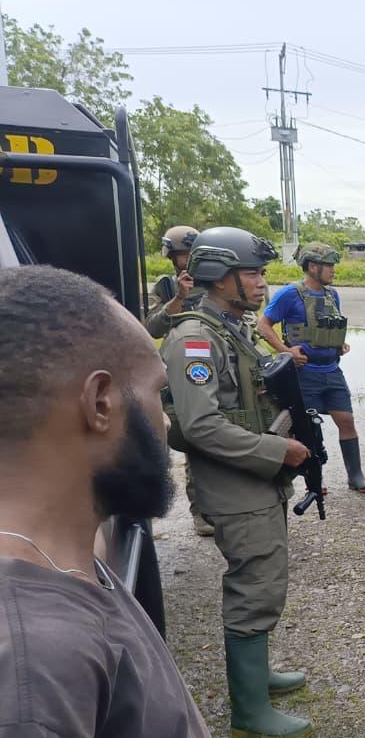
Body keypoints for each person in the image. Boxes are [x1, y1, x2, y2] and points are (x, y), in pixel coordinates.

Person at [0, 265, 242, 738]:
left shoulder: (71, 554)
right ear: (101, 402)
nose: (166, 422)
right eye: (159, 394)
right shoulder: (28, 662)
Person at [162, 227, 312, 738]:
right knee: (254, 586)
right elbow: (201, 425)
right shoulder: (195, 339)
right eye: (252, 273)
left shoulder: (230, 328)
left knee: (266, 578)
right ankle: (249, 712)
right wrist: (277, 451)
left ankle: (258, 675)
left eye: (262, 273)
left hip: (254, 481)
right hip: (235, 486)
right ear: (219, 277)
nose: (262, 282)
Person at [257, 242, 365, 493]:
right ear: (312, 267)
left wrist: (339, 343)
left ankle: (355, 476)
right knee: (309, 427)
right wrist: (286, 351)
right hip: (304, 374)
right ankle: (314, 479)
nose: (333, 270)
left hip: (331, 370)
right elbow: (263, 325)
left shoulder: (332, 295)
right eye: (328, 265)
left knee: (346, 420)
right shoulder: (289, 294)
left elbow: (329, 325)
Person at [145, 224, 215, 536]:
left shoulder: (215, 281)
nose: (187, 260)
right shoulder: (165, 286)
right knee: (192, 439)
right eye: (182, 254)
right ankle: (200, 511)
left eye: (191, 253)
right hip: (180, 368)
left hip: (215, 363)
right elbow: (151, 328)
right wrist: (178, 299)